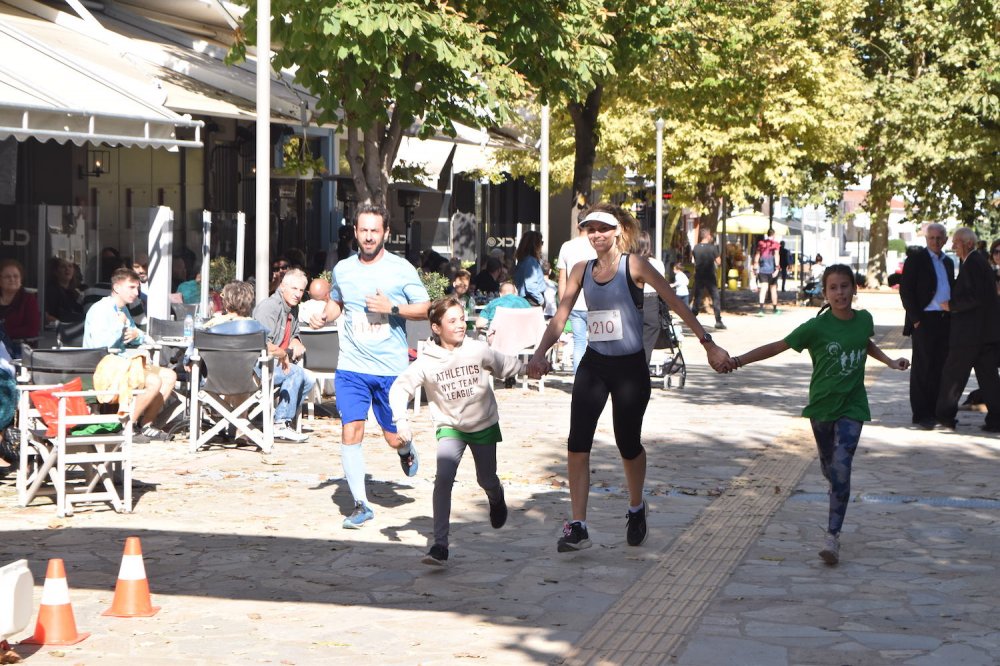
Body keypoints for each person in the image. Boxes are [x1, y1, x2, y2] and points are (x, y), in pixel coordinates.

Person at [526, 203, 731, 553]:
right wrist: (539, 353)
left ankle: (636, 508)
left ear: (618, 231)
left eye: (603, 229)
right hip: (595, 364)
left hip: (630, 368)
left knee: (627, 442)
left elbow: (677, 305)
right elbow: (561, 316)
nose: (596, 235)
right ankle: (578, 525)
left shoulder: (634, 265)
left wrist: (708, 344)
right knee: (577, 443)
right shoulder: (581, 269)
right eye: (590, 229)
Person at [722, 264, 909, 565]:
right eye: (833, 288)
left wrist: (889, 361)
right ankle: (832, 475)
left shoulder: (865, 320)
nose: (840, 293)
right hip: (821, 408)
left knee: (842, 467)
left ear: (854, 289)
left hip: (853, 406)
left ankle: (832, 537)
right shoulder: (815, 327)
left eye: (845, 286)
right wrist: (738, 360)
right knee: (830, 465)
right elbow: (777, 346)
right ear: (825, 293)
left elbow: (864, 342)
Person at [388, 298, 523, 566]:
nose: (460, 325)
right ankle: (440, 545)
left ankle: (496, 498)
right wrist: (401, 421)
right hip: (450, 427)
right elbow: (399, 388)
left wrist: (531, 367)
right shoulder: (426, 361)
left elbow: (506, 364)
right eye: (452, 321)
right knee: (444, 478)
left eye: (462, 319)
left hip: (482, 424)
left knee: (486, 478)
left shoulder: (477, 349)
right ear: (436, 327)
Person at [322, 203, 431, 529]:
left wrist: (392, 307)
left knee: (393, 437)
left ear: (385, 233)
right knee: (351, 429)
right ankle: (360, 504)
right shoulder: (343, 269)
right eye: (363, 230)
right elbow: (338, 302)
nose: (368, 236)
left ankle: (406, 448)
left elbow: (426, 308)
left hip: (389, 369)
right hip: (352, 366)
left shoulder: (401, 269)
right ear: (355, 232)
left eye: (374, 230)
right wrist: (324, 314)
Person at [83, 267, 177, 442]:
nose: (136, 292)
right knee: (153, 381)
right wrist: (119, 327)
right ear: (117, 287)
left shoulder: (123, 309)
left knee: (170, 376)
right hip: (104, 368)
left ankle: (147, 425)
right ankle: (128, 427)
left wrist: (136, 335)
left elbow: (136, 334)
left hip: (124, 363)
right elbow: (100, 346)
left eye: (138, 288)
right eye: (132, 287)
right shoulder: (100, 310)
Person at [934, 227, 1000, 432]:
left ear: (968, 243)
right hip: (984, 334)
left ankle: (944, 417)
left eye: (956, 242)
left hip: (970, 335)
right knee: (989, 379)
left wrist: (951, 305)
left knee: (953, 376)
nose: (952, 246)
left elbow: (975, 298)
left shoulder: (973, 262)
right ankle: (997, 419)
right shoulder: (977, 262)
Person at [899, 223, 954, 428]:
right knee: (923, 368)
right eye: (932, 238)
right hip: (924, 320)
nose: (936, 242)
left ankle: (936, 411)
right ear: (926, 239)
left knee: (941, 367)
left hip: (945, 319)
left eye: (939, 238)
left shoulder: (948, 262)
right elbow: (906, 290)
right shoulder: (916, 260)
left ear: (945, 240)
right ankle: (921, 414)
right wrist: (916, 319)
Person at [252, 268, 316, 443]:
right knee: (296, 373)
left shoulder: (292, 309)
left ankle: (280, 419)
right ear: (282, 287)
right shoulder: (270, 307)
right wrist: (282, 353)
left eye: (301, 290)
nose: (298, 294)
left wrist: (295, 341)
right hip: (258, 365)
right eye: (294, 289)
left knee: (309, 378)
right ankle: (280, 424)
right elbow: (261, 343)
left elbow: (294, 334)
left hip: (276, 364)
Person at [557, 224, 598, 372]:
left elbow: (562, 279)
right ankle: (595, 379)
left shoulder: (567, 246)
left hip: (573, 302)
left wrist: (563, 304)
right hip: (595, 302)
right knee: (598, 343)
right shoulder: (597, 245)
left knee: (579, 342)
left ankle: (579, 379)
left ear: (577, 225)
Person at [636, 231, 667, 364]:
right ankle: (642, 370)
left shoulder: (627, 262)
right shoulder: (657, 264)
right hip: (651, 302)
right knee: (647, 343)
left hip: (632, 301)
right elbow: (663, 288)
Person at [0, 259, 40, 356]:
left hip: (18, 349)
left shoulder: (28, 300)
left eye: (16, 276)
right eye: (7, 277)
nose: (12, 279)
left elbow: (32, 329)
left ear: (21, 279)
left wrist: (5, 331)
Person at [690, 229, 726, 330]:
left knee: (697, 297)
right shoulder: (712, 248)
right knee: (715, 298)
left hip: (699, 275)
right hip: (710, 275)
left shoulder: (696, 248)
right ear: (707, 236)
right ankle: (718, 321)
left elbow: (695, 261)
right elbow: (719, 262)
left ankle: (692, 319)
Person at [45, 257, 84, 325]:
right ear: (56, 272)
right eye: (63, 267)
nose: (67, 269)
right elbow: (45, 315)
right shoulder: (50, 291)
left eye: (70, 266)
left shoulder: (75, 292)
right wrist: (61, 324)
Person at [513, 231, 546, 306]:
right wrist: (541, 300)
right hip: (532, 300)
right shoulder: (530, 261)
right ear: (536, 244)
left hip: (526, 299)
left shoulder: (522, 260)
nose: (542, 245)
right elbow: (530, 285)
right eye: (541, 242)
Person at [754, 228, 781, 315]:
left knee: (763, 289)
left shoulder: (761, 243)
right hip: (772, 270)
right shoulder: (775, 244)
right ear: (773, 235)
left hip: (762, 270)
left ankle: (761, 309)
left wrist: (755, 266)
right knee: (773, 289)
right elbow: (777, 256)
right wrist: (777, 268)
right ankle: (775, 309)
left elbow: (757, 255)